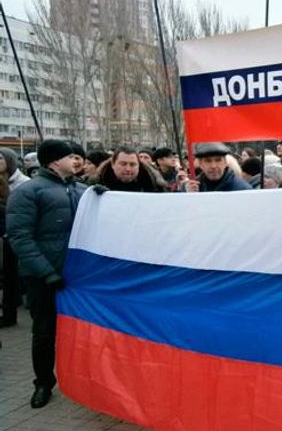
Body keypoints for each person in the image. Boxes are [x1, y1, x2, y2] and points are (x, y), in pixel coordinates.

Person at [7, 139, 87, 408]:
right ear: (54, 161)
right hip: (43, 278)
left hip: (76, 276)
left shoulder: (82, 190)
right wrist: (46, 272)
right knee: (44, 332)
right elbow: (20, 237)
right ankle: (43, 383)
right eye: (70, 157)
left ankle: (80, 379)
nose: (75, 161)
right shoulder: (28, 192)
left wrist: (102, 198)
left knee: (79, 331)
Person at [0, 149, 30, 328]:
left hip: (14, 235)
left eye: (1, 158)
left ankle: (10, 311)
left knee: (11, 275)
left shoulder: (23, 183)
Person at [89, 147, 166, 192]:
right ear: (113, 164)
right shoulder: (95, 183)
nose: (128, 169)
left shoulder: (154, 185)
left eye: (132, 164)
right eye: (123, 164)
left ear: (139, 165)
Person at [184, 143, 252, 192]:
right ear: (200, 164)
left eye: (218, 160)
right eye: (208, 161)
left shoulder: (242, 189)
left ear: (225, 162)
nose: (213, 166)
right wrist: (189, 198)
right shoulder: (192, 187)